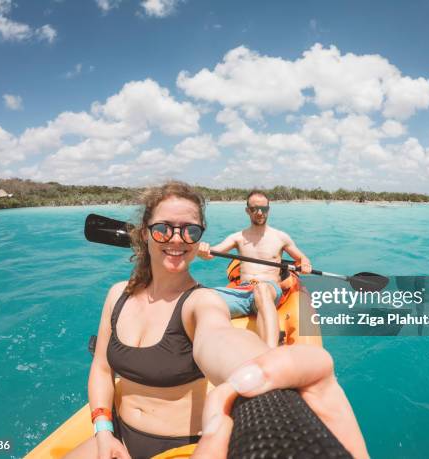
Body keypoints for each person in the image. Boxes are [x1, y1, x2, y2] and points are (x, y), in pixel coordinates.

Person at [65, 181, 368, 459]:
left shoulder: (202, 302)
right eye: (163, 229)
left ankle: (271, 344)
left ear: (198, 237)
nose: (176, 239)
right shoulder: (118, 294)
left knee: (263, 292)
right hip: (115, 432)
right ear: (145, 233)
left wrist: (264, 372)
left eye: (190, 231)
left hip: (174, 447)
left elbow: (219, 338)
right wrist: (103, 430)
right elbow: (102, 369)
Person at [198, 190, 312, 347]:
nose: (259, 213)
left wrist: (305, 265)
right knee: (202, 297)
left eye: (263, 209)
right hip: (243, 292)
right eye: (254, 209)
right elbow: (212, 253)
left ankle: (268, 352)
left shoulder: (281, 237)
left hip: (269, 289)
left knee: (261, 289)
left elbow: (301, 259)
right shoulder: (237, 237)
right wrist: (203, 250)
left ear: (268, 210)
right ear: (247, 211)